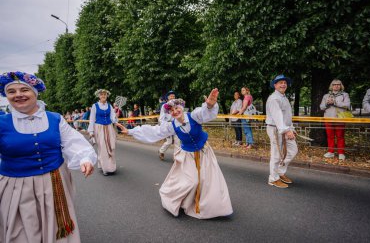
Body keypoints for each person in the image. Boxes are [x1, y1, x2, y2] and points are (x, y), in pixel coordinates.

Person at [0, 71, 96, 242]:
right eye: (12, 92)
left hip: (54, 180)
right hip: (15, 184)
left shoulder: (55, 119)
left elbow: (72, 142)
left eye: (24, 90)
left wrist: (84, 158)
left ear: (35, 93)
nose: (19, 95)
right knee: (20, 231)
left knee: (57, 226)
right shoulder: (2, 123)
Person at [116, 88, 233, 219]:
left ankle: (209, 205)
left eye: (176, 108)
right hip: (187, 156)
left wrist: (210, 105)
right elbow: (154, 131)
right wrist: (131, 131)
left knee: (207, 180)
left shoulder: (194, 116)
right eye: (171, 111)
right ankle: (181, 200)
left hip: (204, 152)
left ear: (181, 107)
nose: (175, 111)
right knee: (192, 181)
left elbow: (206, 113)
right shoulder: (172, 126)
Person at [265, 74, 298, 188]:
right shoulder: (274, 98)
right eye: (280, 82)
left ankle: (280, 172)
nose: (283, 84)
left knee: (293, 150)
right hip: (275, 128)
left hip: (284, 128)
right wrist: (285, 130)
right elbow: (277, 116)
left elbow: (286, 116)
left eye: (284, 82)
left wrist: (291, 129)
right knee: (276, 155)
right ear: (275, 85)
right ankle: (273, 179)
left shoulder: (283, 97)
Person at [88, 89, 117, 176]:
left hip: (109, 128)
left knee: (111, 146)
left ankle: (110, 166)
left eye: (105, 95)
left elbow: (112, 118)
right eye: (102, 95)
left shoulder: (109, 106)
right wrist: (91, 131)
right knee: (103, 148)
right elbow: (92, 119)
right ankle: (106, 168)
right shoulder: (95, 106)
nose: (103, 96)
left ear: (107, 96)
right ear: (99, 96)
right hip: (99, 128)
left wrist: (115, 118)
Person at [320, 79, 351, 160]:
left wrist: (335, 103)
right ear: (331, 86)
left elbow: (347, 105)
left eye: (338, 84)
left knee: (340, 136)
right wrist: (327, 103)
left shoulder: (345, 95)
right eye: (334, 84)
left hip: (340, 118)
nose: (336, 86)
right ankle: (331, 152)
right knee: (330, 136)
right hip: (328, 118)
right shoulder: (326, 96)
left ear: (341, 86)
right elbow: (321, 107)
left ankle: (341, 153)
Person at [158, 90, 180, 160]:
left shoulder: (177, 105)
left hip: (176, 125)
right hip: (168, 125)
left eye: (173, 96)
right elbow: (161, 118)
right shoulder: (165, 106)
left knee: (177, 141)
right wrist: (164, 126)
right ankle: (161, 151)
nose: (172, 97)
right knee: (169, 142)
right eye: (171, 96)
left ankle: (176, 157)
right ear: (168, 98)